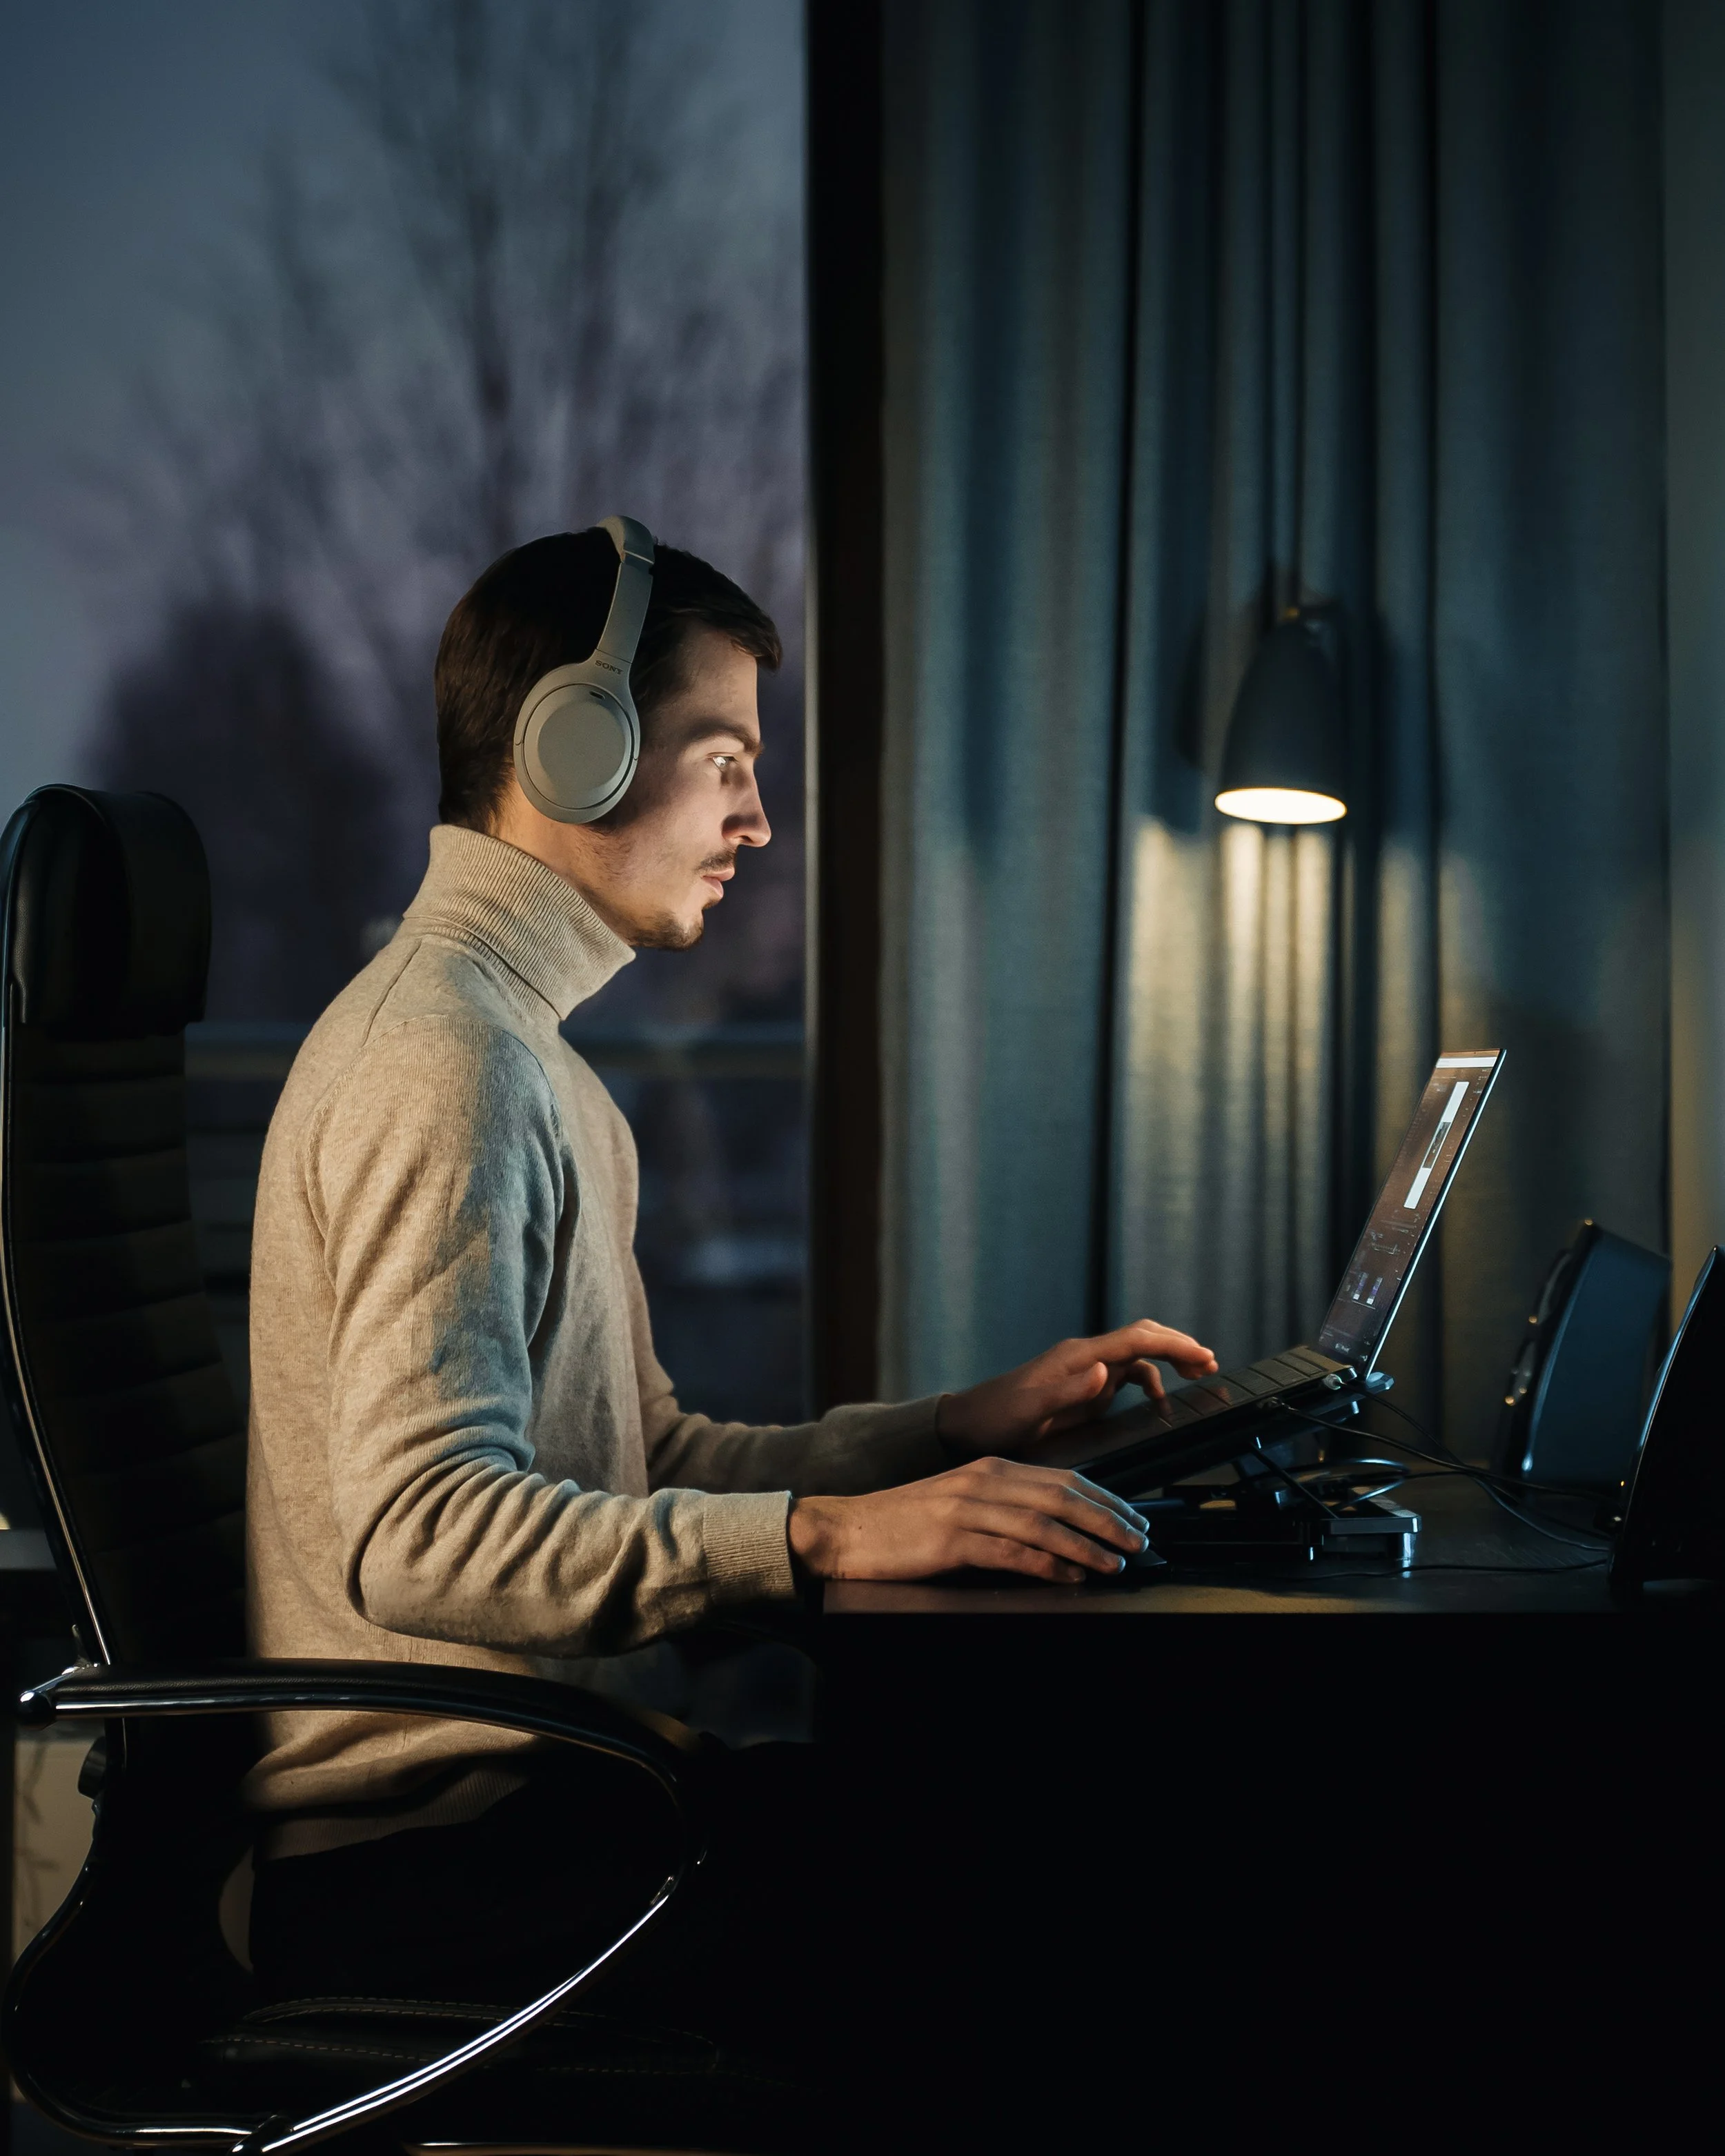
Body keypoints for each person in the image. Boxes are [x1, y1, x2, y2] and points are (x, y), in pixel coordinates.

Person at [241, 526, 1216, 2057]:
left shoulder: (525, 1057)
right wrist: (823, 1534)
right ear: (574, 752)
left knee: (1050, 1847)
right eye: (723, 758)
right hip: (438, 1862)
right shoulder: (444, 1064)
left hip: (553, 1800)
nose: (758, 818)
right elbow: (416, 1532)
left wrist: (952, 1428)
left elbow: (654, 1459)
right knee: (1080, 1900)